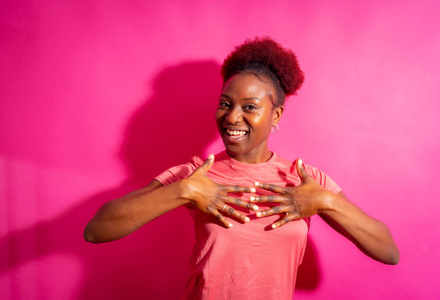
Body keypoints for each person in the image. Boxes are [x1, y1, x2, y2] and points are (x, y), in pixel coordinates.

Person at [84, 37, 399, 299]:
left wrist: (326, 202)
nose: (233, 117)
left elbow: (388, 251)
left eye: (250, 107)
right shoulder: (195, 174)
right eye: (225, 103)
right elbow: (97, 230)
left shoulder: (306, 180)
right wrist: (183, 191)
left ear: (275, 116)